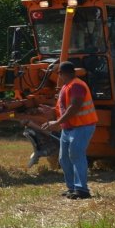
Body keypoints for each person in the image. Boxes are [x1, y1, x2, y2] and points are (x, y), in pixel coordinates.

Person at [42, 62, 98, 199]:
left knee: (76, 155)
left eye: (59, 74)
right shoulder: (66, 86)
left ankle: (82, 190)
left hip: (82, 126)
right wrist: (50, 113)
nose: (58, 76)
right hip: (69, 128)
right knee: (64, 158)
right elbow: (63, 108)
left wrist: (57, 122)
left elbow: (75, 107)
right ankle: (72, 188)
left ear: (62, 73)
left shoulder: (76, 85)